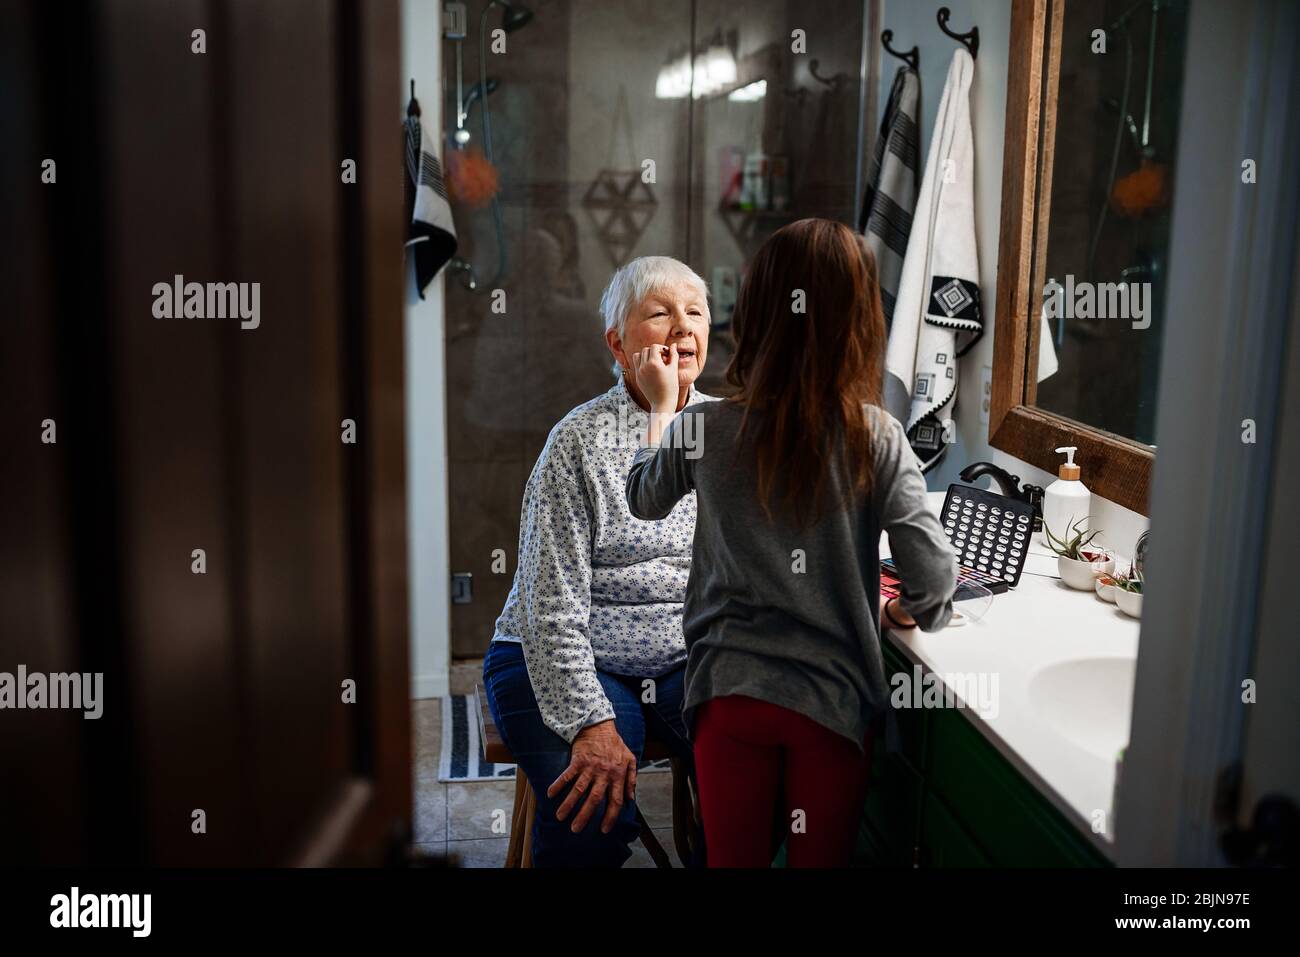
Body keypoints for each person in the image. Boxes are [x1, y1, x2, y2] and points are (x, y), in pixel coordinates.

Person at [625, 218, 957, 867]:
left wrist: (663, 410)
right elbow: (935, 584)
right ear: (859, 323)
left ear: (752, 316)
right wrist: (902, 611)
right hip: (829, 707)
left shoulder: (705, 427)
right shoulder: (877, 437)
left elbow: (643, 497)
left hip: (729, 697)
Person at [482, 255, 717, 867]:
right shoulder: (577, 442)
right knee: (594, 802)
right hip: (554, 655)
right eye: (660, 313)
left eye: (695, 312)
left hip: (680, 659)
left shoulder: (726, 431)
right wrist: (590, 722)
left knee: (753, 763)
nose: (682, 327)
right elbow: (550, 608)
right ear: (617, 342)